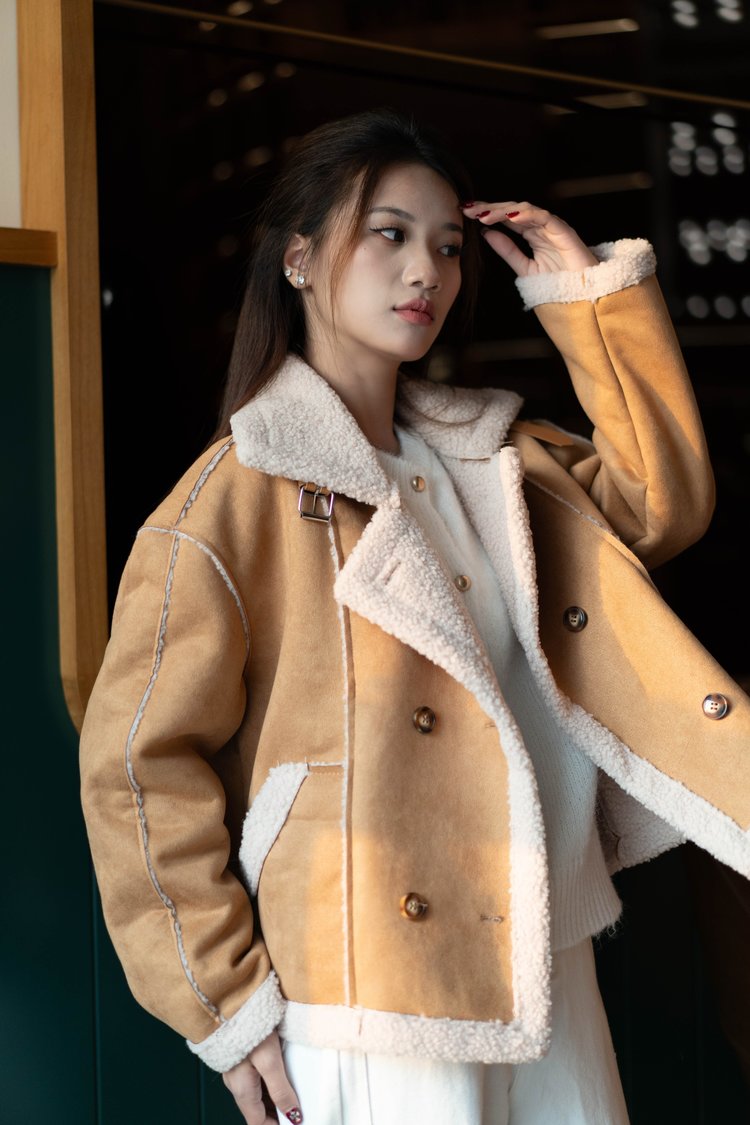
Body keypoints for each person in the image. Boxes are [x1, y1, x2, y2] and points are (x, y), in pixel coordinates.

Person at [79, 108, 750, 1125]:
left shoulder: (497, 457)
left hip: (545, 951)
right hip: (365, 981)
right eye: (388, 234)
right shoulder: (231, 499)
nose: (424, 270)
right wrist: (223, 1003)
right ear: (299, 259)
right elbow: (137, 765)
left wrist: (585, 298)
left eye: (446, 245)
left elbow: (662, 502)